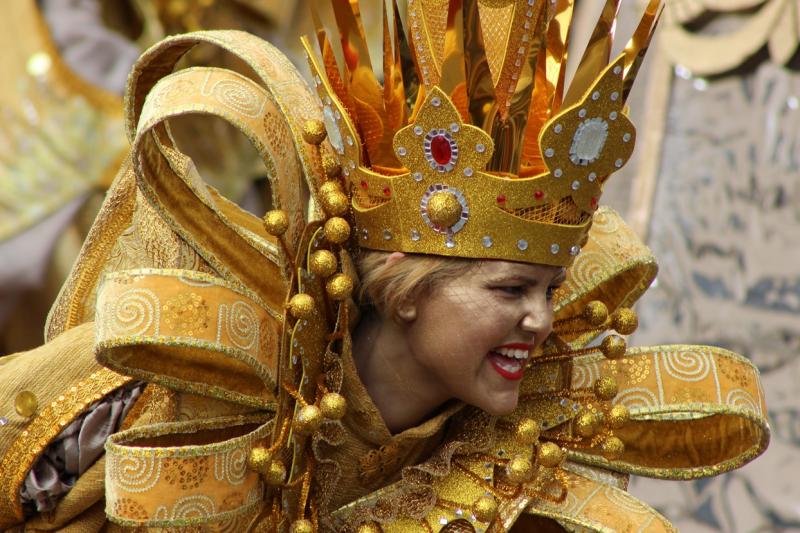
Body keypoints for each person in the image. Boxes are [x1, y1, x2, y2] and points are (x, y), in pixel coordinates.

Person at [0, 1, 769, 531]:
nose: (541, 320)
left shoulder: (523, 466)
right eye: (509, 288)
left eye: (547, 290)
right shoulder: (212, 365)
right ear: (405, 282)